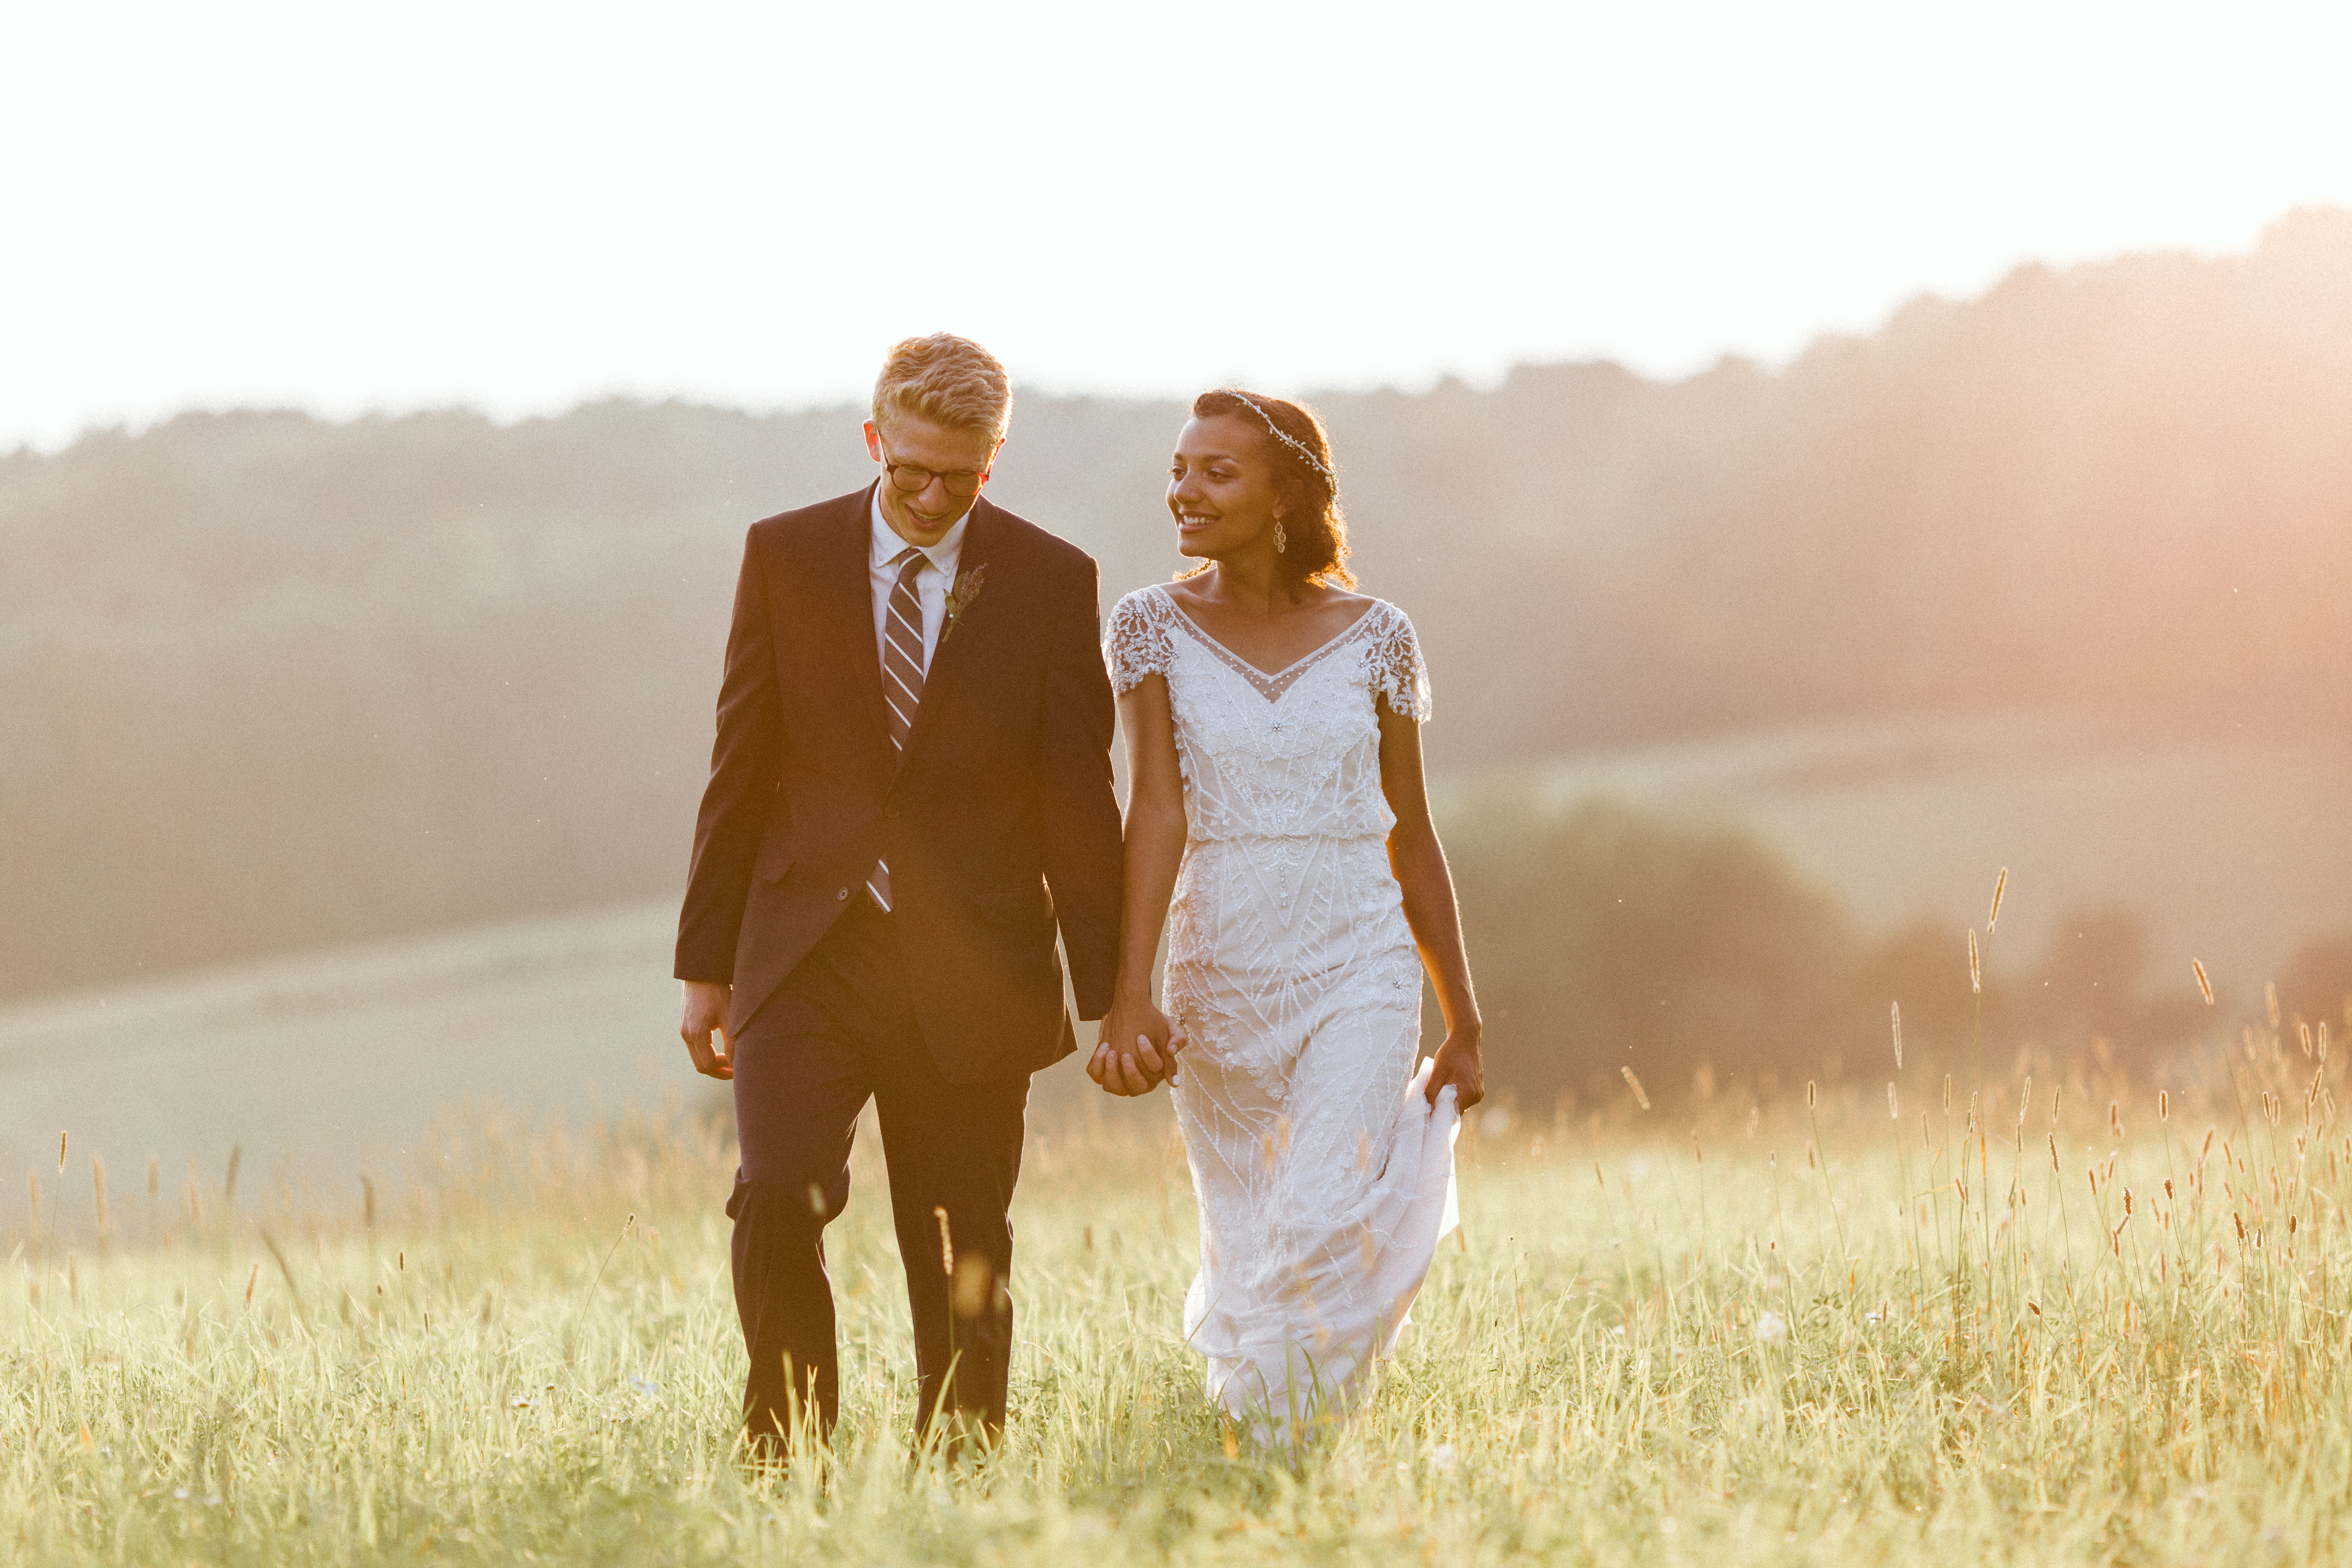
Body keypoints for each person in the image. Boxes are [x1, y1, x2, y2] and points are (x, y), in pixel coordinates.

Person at [673, 334, 1140, 1456]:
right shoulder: (784, 555)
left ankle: (965, 1472)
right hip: (806, 952)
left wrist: (1117, 994)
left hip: (975, 962)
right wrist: (705, 967)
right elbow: (741, 764)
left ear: (995, 458)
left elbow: (1078, 799)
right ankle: (789, 1460)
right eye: (911, 471)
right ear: (874, 439)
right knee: (775, 1193)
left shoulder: (1050, 579)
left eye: (960, 478)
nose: (932, 500)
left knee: (959, 1237)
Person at [1094, 388, 1486, 1446]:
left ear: (1284, 497)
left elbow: (1412, 829)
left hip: (1360, 959)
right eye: (1180, 468)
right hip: (1220, 968)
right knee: (1252, 1229)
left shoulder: (1378, 637)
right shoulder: (1148, 626)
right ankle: (1270, 1445)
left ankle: (1280, 1441)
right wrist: (1129, 995)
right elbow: (1155, 811)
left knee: (1319, 1212)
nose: (1184, 490)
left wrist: (1464, 1015)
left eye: (1216, 472)